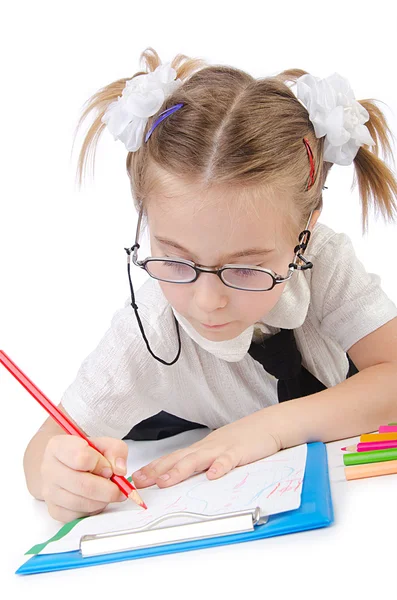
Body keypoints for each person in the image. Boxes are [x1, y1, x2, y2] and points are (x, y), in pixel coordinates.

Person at [23, 48, 397, 523]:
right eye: (176, 260)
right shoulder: (152, 327)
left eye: (245, 270)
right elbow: (41, 451)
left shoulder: (323, 261)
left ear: (306, 229)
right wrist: (55, 476)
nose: (206, 301)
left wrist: (268, 431)